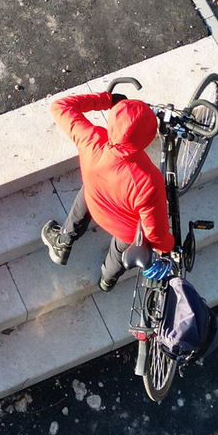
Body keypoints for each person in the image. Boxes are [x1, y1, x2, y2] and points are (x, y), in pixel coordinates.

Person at [40, 88, 175, 292]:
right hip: (125, 230)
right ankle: (107, 280)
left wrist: (107, 99)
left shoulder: (92, 139)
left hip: (95, 201)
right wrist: (168, 247)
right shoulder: (148, 179)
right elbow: (155, 234)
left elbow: (61, 106)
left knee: (89, 187)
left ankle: (64, 241)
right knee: (119, 254)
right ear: (148, 136)